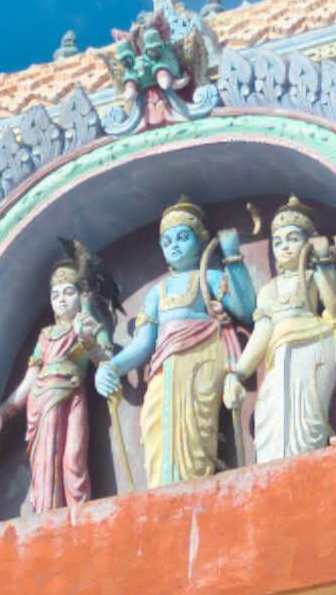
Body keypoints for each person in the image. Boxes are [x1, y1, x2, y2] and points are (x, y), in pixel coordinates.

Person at [95, 198, 255, 487]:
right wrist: (111, 367)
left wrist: (232, 256)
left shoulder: (210, 276)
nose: (175, 245)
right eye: (167, 241)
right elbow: (143, 344)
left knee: (195, 429)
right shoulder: (158, 292)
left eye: (183, 237)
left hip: (203, 357)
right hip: (164, 366)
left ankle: (193, 486)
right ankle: (163, 490)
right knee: (156, 424)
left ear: (201, 239)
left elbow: (245, 309)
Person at [0, 250, 110, 514]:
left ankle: (78, 515)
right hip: (41, 401)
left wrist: (88, 340)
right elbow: (29, 381)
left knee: (74, 459)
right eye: (55, 295)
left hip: (71, 395)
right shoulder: (45, 335)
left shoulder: (88, 325)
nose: (61, 300)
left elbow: (106, 363)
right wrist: (3, 411)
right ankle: (47, 515)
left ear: (81, 295)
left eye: (68, 292)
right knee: (45, 463)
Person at [223, 196, 336, 462]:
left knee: (307, 418)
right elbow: (261, 335)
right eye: (278, 242)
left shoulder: (312, 277)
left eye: (293, 239)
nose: (285, 247)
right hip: (280, 355)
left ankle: (305, 464)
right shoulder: (269, 291)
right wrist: (239, 373)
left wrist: (324, 262)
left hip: (313, 347)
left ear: (307, 243)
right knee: (271, 413)